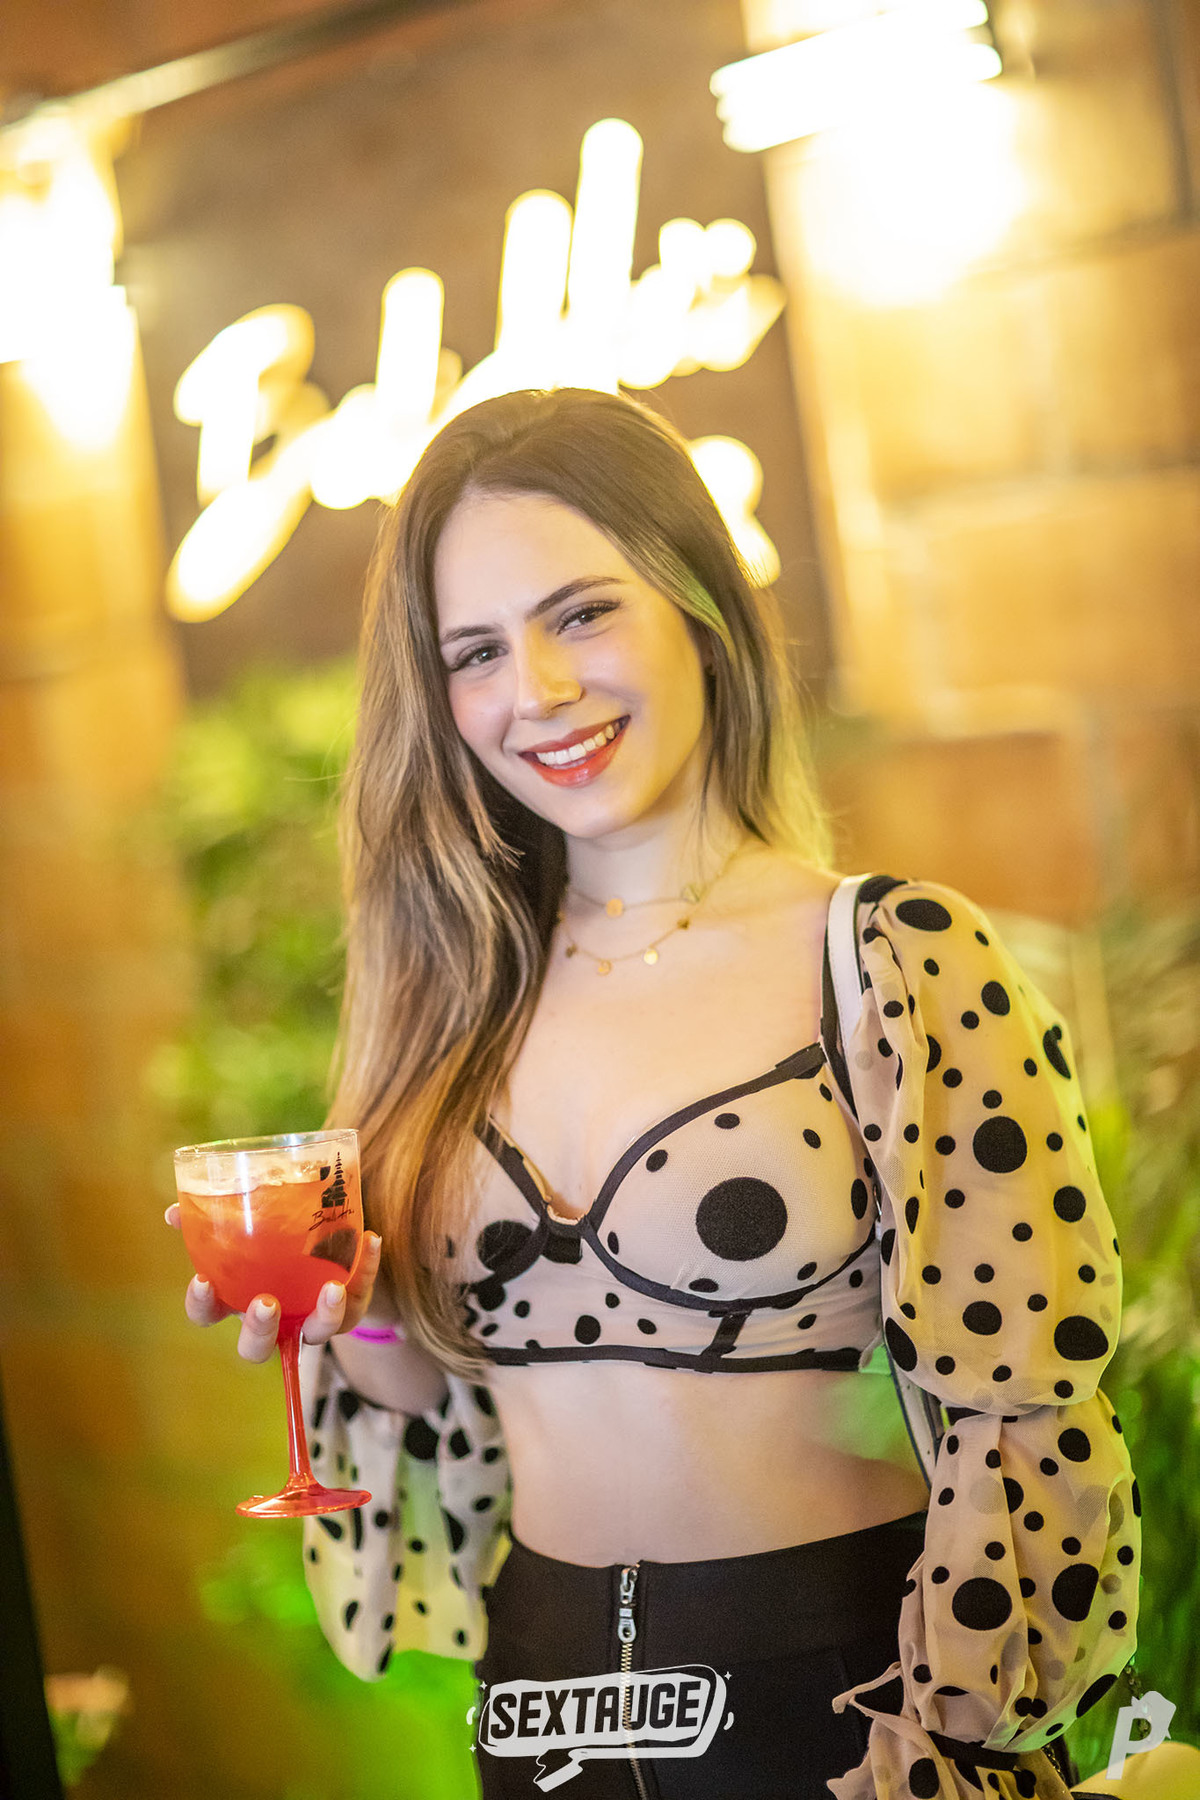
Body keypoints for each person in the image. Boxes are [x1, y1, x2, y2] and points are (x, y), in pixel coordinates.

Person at [170, 388, 1140, 1800]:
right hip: (538, 1693)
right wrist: (355, 1311)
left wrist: (952, 1729)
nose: (538, 692)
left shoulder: (891, 957)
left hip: (833, 1692)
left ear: (698, 602)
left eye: (581, 615)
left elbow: (1024, 1399)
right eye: (476, 652)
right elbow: (430, 1393)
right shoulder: (449, 993)